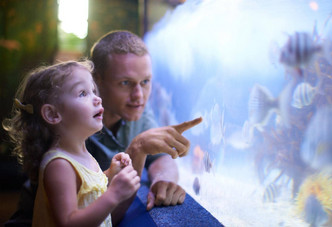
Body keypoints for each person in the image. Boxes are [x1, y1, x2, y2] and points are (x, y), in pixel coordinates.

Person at [3, 60, 141, 226]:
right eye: (83, 93)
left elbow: (86, 192)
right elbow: (69, 222)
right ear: (53, 114)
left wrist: (109, 175)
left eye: (93, 91)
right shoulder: (59, 165)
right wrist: (114, 194)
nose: (97, 99)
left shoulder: (81, 154)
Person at [88, 30, 202, 223]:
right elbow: (97, 220)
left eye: (145, 82)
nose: (139, 95)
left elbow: (160, 159)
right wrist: (137, 148)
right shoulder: (73, 121)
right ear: (97, 80)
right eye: (125, 83)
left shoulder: (136, 107)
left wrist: (162, 181)